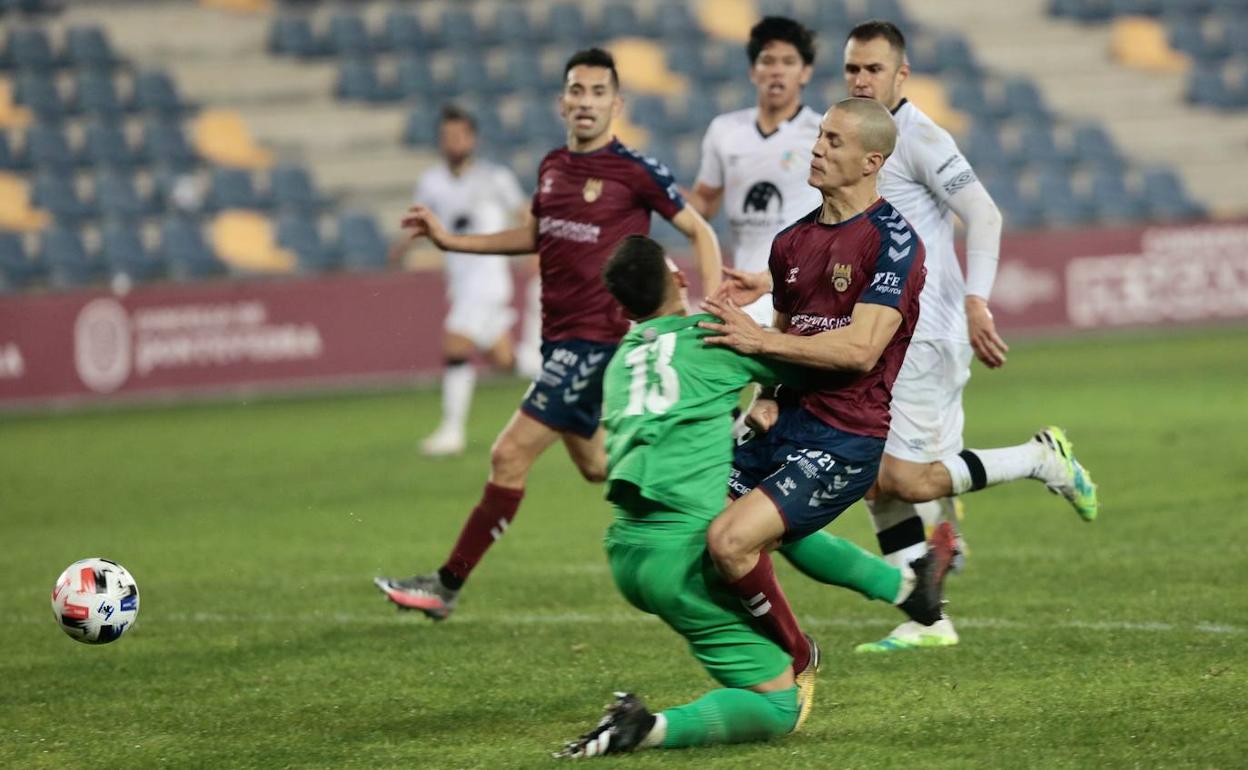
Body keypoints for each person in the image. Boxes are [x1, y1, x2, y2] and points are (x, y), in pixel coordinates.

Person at [555, 235, 954, 758]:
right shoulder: (709, 337)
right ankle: (648, 726)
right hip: (685, 554)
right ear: (679, 280)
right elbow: (812, 366)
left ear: (625, 309)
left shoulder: (621, 362)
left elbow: (610, 455)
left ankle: (906, 589)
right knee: (780, 705)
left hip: (629, 556)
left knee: (763, 514)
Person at [374, 48, 723, 619]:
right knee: (597, 466)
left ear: (616, 104)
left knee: (509, 454)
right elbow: (535, 237)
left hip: (599, 342)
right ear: (562, 102)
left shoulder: (634, 171)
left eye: (598, 92)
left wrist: (713, 303)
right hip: (560, 342)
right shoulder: (553, 166)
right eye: (577, 91)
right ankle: (721, 485)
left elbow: (700, 230)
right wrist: (449, 241)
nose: (586, 102)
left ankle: (445, 585)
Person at [840, 21, 1099, 652]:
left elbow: (984, 212)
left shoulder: (921, 137)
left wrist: (977, 298)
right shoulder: (852, 138)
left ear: (901, 75)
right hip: (877, 333)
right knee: (869, 476)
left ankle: (1042, 457)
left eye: (873, 69)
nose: (861, 80)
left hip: (928, 331)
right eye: (852, 69)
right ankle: (929, 618)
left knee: (910, 480)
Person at [694, 96, 951, 676]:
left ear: (871, 162)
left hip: (844, 436)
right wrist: (764, 396)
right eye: (820, 137)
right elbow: (787, 331)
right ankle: (909, 590)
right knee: (707, 540)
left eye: (834, 141)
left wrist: (760, 344)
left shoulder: (894, 242)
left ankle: (794, 660)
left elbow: (860, 351)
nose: (817, 149)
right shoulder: (790, 242)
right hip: (782, 425)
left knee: (731, 542)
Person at [388, 104, 531, 457]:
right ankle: (557, 370)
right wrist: (403, 246)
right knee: (505, 361)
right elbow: (422, 223)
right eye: (446, 136)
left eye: (459, 135)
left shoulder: (495, 178)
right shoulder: (431, 181)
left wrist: (539, 253)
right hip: (461, 283)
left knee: (454, 344)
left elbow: (525, 215)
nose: (453, 142)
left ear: (472, 139)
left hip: (489, 282)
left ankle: (452, 432)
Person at [686, 16, 824, 326]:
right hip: (745, 288)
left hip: (801, 289)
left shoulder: (822, 131)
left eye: (788, 62)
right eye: (767, 61)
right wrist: (665, 196)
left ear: (805, 72)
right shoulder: (724, 130)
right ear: (753, 70)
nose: (777, 70)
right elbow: (704, 203)